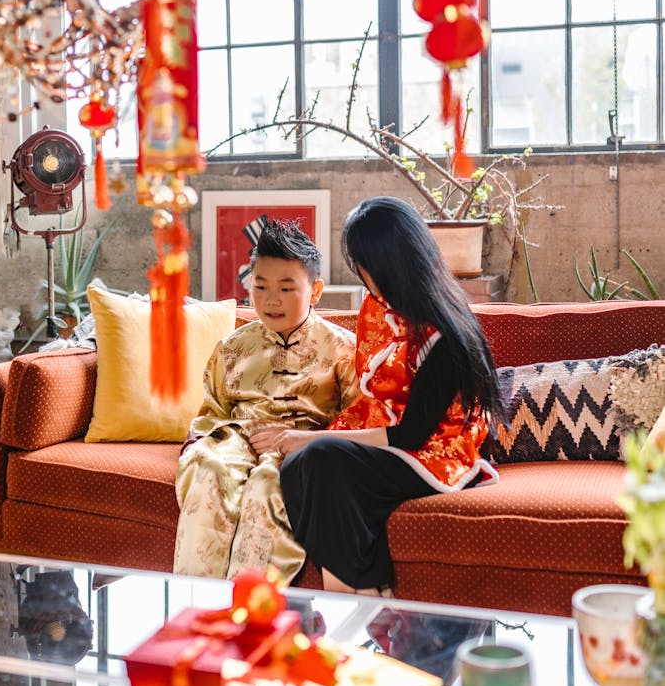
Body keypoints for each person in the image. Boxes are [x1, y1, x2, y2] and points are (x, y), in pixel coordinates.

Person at [252, 196, 503, 595]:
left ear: (387, 264)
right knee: (296, 470)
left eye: (361, 263)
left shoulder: (443, 336)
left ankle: (357, 595)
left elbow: (410, 437)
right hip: (385, 431)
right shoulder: (379, 306)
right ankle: (362, 591)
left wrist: (314, 437)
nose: (360, 274)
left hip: (435, 451)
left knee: (317, 458)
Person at [173, 218, 358, 582]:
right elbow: (212, 414)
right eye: (260, 286)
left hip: (303, 449)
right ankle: (198, 604)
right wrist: (232, 442)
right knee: (209, 468)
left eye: (287, 288)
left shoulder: (343, 349)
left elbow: (359, 422)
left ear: (315, 290)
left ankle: (251, 611)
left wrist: (293, 442)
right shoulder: (232, 347)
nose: (271, 299)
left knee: (269, 484)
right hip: (237, 440)